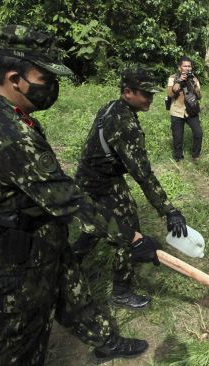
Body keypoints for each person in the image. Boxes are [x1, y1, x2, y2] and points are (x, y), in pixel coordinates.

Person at [0, 25, 159, 365]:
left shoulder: (3, 113)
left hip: (44, 236)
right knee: (23, 342)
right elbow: (67, 199)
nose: (53, 86)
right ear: (14, 78)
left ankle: (106, 341)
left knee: (75, 295)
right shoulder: (9, 135)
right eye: (45, 77)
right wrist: (130, 236)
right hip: (19, 255)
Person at [73, 67, 188, 310]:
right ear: (127, 92)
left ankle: (68, 265)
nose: (151, 99)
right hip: (101, 183)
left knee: (96, 224)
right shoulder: (124, 124)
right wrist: (169, 210)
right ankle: (121, 292)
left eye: (152, 94)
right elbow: (143, 175)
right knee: (129, 233)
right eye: (145, 94)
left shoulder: (112, 107)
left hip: (90, 178)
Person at [167, 56, 202, 162]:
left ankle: (195, 156)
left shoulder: (194, 78)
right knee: (178, 137)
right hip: (177, 111)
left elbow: (199, 96)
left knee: (198, 133)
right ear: (179, 67)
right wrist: (178, 82)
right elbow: (169, 94)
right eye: (185, 66)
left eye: (189, 66)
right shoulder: (173, 78)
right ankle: (178, 158)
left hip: (191, 110)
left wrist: (195, 85)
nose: (187, 68)